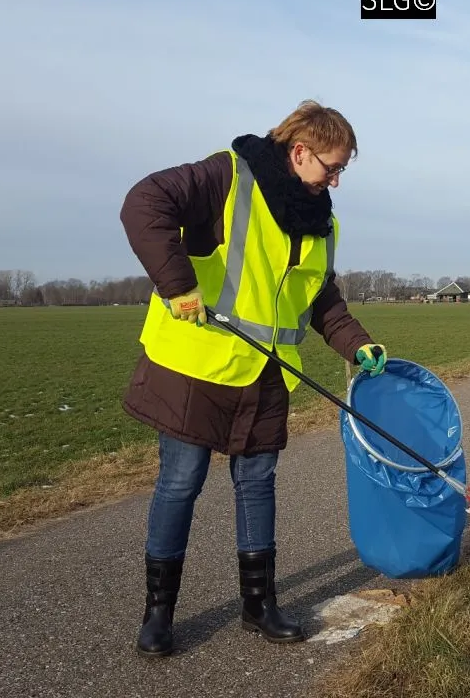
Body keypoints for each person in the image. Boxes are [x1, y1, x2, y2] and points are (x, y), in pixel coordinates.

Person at [118, 100, 389, 657]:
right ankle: (158, 614)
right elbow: (143, 202)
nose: (337, 180)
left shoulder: (323, 222)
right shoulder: (228, 176)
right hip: (196, 365)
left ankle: (259, 605)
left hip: (266, 373)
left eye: (342, 170)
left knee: (258, 484)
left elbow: (321, 298)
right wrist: (177, 284)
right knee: (180, 483)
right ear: (300, 151)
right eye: (333, 167)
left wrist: (357, 344)